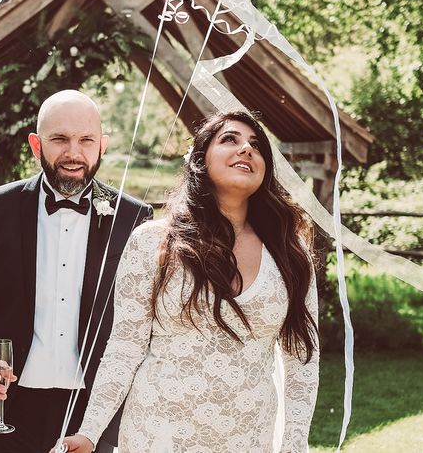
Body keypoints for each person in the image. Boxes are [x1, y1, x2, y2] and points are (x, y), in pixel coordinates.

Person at [56, 110, 319, 453]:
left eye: (256, 146)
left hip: (249, 439)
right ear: (200, 159)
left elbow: (301, 356)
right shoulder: (152, 242)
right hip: (156, 435)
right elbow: (124, 347)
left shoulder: (289, 251)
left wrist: (295, 444)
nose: (246, 149)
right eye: (230, 140)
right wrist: (90, 432)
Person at [0, 90, 153, 453]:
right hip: (3, 410)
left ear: (101, 145)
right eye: (60, 139)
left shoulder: (134, 219)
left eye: (86, 140)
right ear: (36, 145)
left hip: (93, 415)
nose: (74, 152)